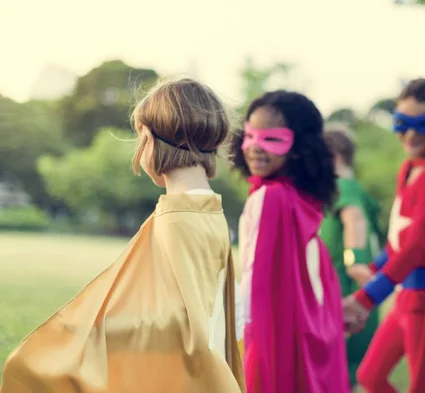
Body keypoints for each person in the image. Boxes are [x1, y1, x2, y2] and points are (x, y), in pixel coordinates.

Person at [0, 78, 245, 393]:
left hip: (184, 379)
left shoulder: (179, 218)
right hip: (200, 374)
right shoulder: (207, 210)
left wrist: (88, 332)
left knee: (30, 366)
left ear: (150, 139)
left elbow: (176, 321)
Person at [343, 78, 425, 393]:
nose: (410, 134)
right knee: (370, 376)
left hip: (424, 302)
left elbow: (415, 247)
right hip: (404, 299)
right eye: (402, 123)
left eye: (423, 125)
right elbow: (398, 241)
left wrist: (366, 297)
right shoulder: (409, 169)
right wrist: (373, 269)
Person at [230, 90, 349, 393]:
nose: (255, 148)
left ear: (298, 147)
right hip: (308, 324)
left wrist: (242, 339)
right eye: (251, 136)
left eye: (271, 139)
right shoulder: (298, 196)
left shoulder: (273, 197)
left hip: (276, 331)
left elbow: (257, 281)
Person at [319, 125, 383, 389]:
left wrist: (353, 261)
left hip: (344, 291)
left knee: (335, 372)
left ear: (332, 157)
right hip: (358, 292)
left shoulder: (340, 185)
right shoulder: (356, 188)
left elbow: (353, 218)